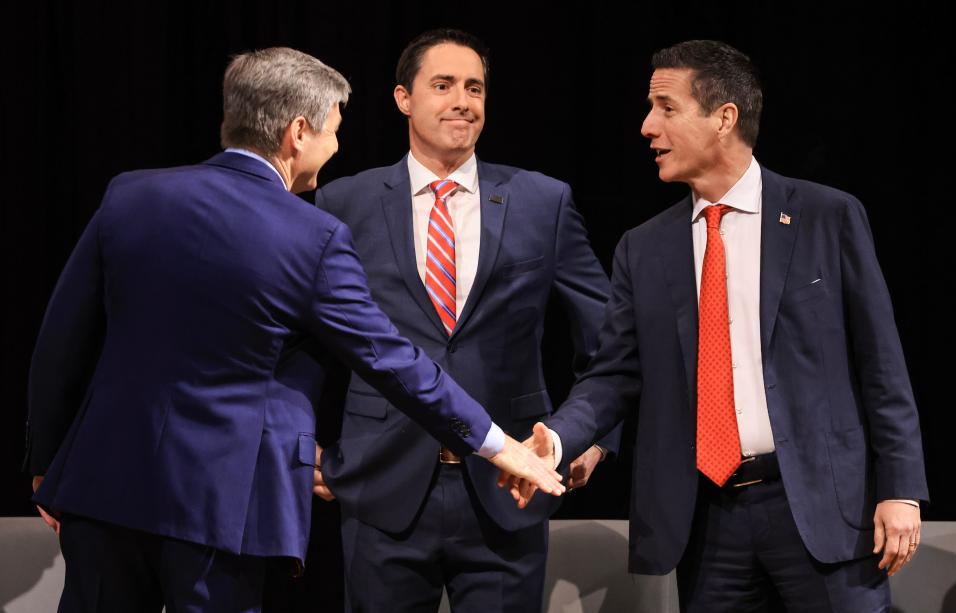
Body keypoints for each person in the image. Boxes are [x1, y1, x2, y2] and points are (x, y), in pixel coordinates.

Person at [24, 46, 563, 613]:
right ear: (297, 133)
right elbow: (391, 359)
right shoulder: (311, 235)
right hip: (221, 503)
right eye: (333, 131)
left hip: (102, 485)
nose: (337, 147)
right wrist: (499, 445)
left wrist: (45, 463)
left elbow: (61, 341)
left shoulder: (130, 194)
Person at [521, 39, 928, 610]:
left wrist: (901, 489)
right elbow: (611, 375)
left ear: (723, 118)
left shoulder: (826, 216)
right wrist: (559, 438)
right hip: (708, 524)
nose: (646, 127)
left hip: (823, 509)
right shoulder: (644, 248)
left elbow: (882, 364)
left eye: (665, 108)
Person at [311, 28, 617, 612]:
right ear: (404, 98)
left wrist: (593, 438)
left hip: (510, 488)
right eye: (443, 85)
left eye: (474, 88)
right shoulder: (343, 203)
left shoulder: (541, 200)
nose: (462, 101)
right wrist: (298, 445)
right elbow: (303, 338)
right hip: (382, 485)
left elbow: (607, 338)